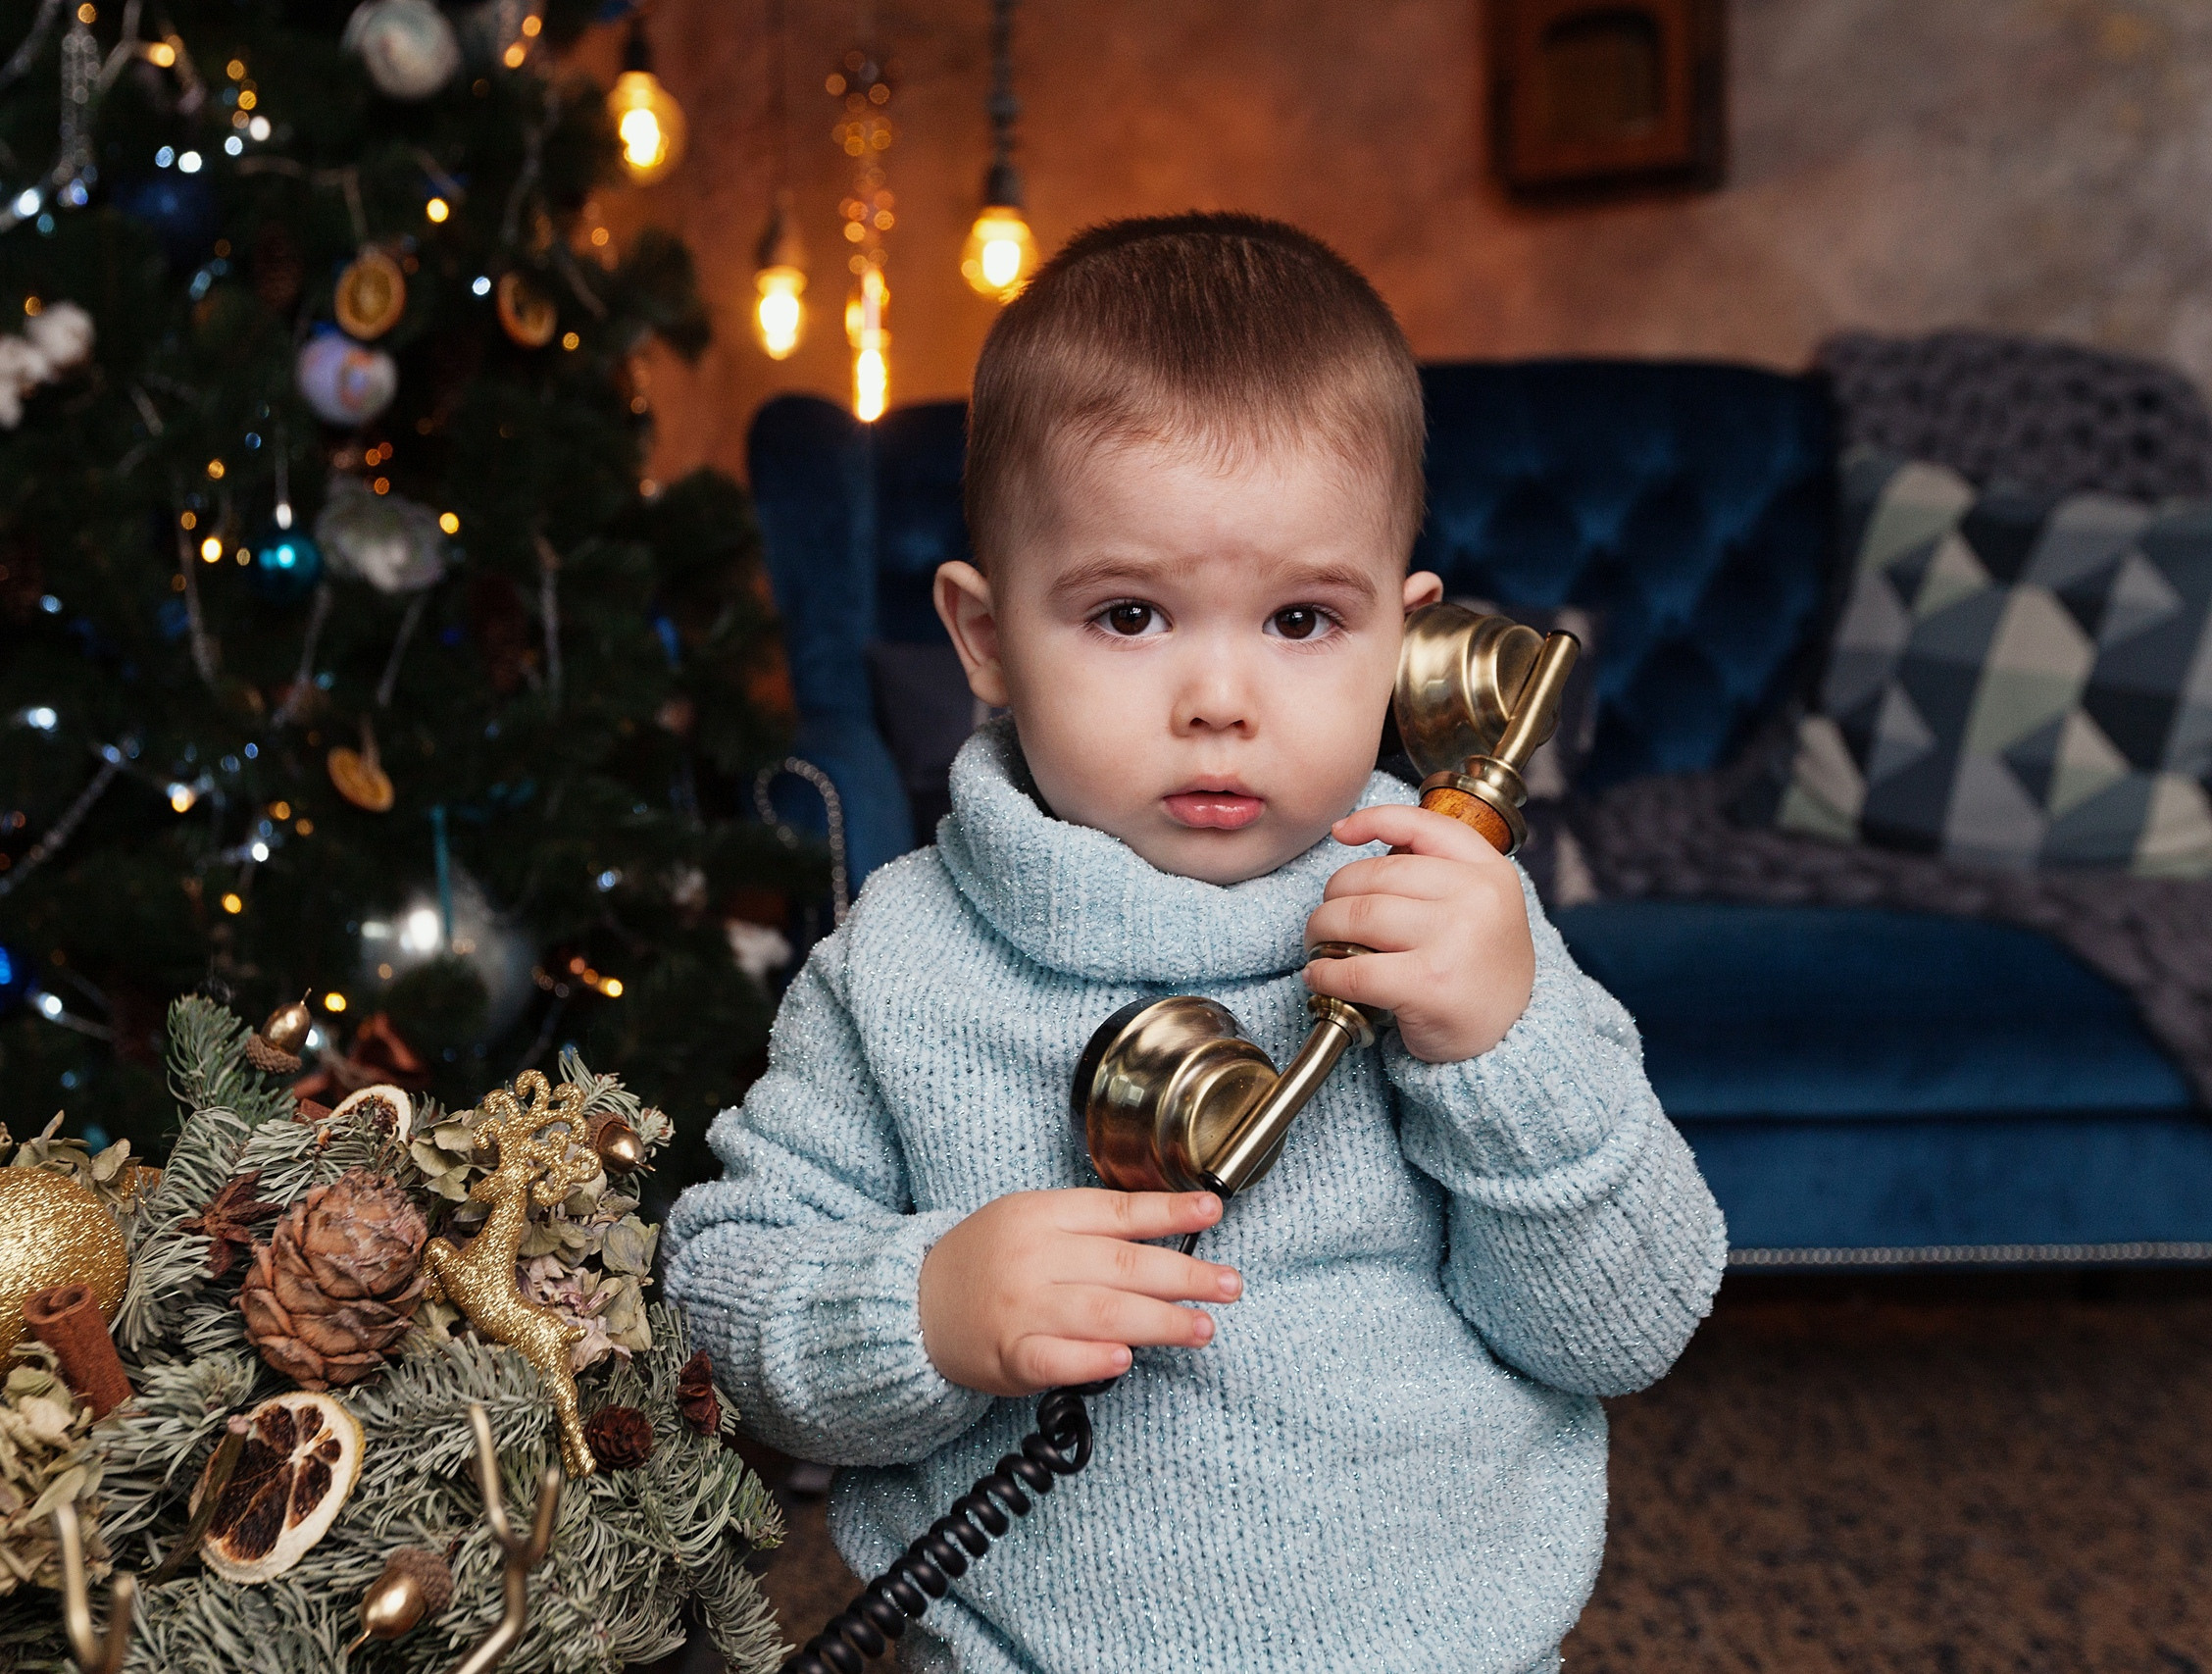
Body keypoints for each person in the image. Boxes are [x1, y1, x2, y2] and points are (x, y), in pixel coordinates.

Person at [666, 212, 1726, 1674]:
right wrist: (922, 1308)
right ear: (983, 638)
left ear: (1408, 639)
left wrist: (1506, 1052)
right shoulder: (901, 965)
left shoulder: (1460, 924)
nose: (1220, 696)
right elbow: (719, 1305)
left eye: (1301, 618)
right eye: (1129, 614)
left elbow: (1629, 1329)